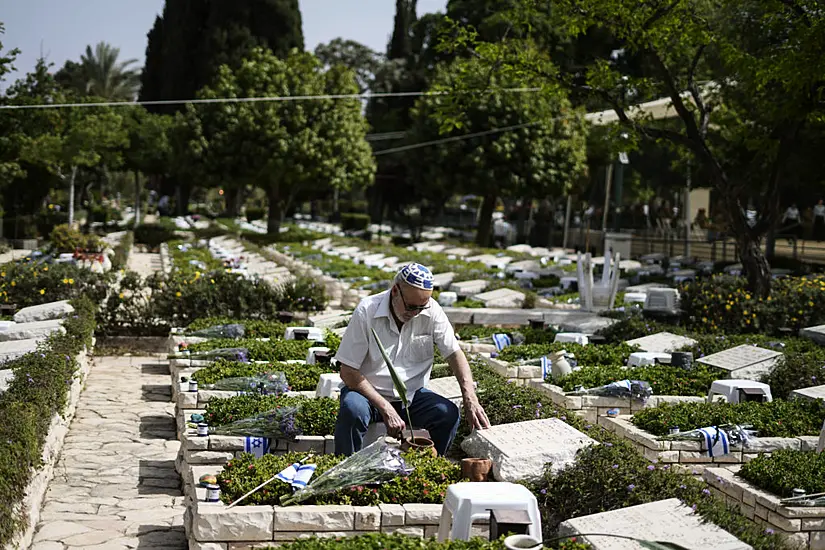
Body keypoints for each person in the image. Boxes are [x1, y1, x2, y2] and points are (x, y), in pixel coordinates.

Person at [333, 263, 491, 456]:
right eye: (410, 306)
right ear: (395, 291)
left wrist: (470, 398)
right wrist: (386, 408)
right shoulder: (367, 310)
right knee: (352, 410)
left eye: (420, 307)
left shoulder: (431, 310)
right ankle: (346, 473)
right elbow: (348, 371)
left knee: (447, 414)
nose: (415, 313)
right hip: (368, 394)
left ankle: (427, 470)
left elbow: (454, 353)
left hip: (411, 397)